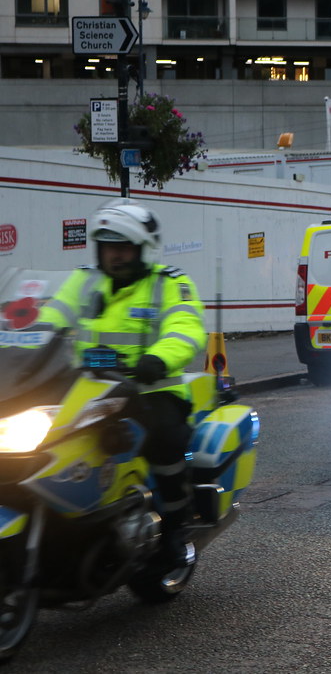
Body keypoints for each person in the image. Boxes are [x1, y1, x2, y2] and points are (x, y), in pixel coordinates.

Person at [40, 199, 206, 568]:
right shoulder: (83, 281)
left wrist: (158, 359)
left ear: (144, 250)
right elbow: (47, 319)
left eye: (124, 248)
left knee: (165, 440)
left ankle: (176, 530)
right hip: (86, 387)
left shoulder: (170, 284)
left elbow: (186, 327)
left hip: (151, 389)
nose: (115, 256)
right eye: (108, 247)